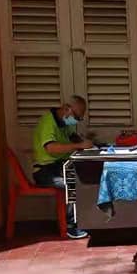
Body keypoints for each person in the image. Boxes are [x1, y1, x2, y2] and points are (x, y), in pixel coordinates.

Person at [32, 96, 93, 240]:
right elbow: (51, 148)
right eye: (77, 117)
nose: (76, 121)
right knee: (71, 185)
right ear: (67, 109)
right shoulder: (48, 122)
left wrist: (87, 142)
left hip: (60, 166)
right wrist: (78, 146)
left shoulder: (65, 123)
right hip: (45, 171)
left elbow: (73, 137)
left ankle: (87, 219)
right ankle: (71, 226)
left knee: (85, 177)